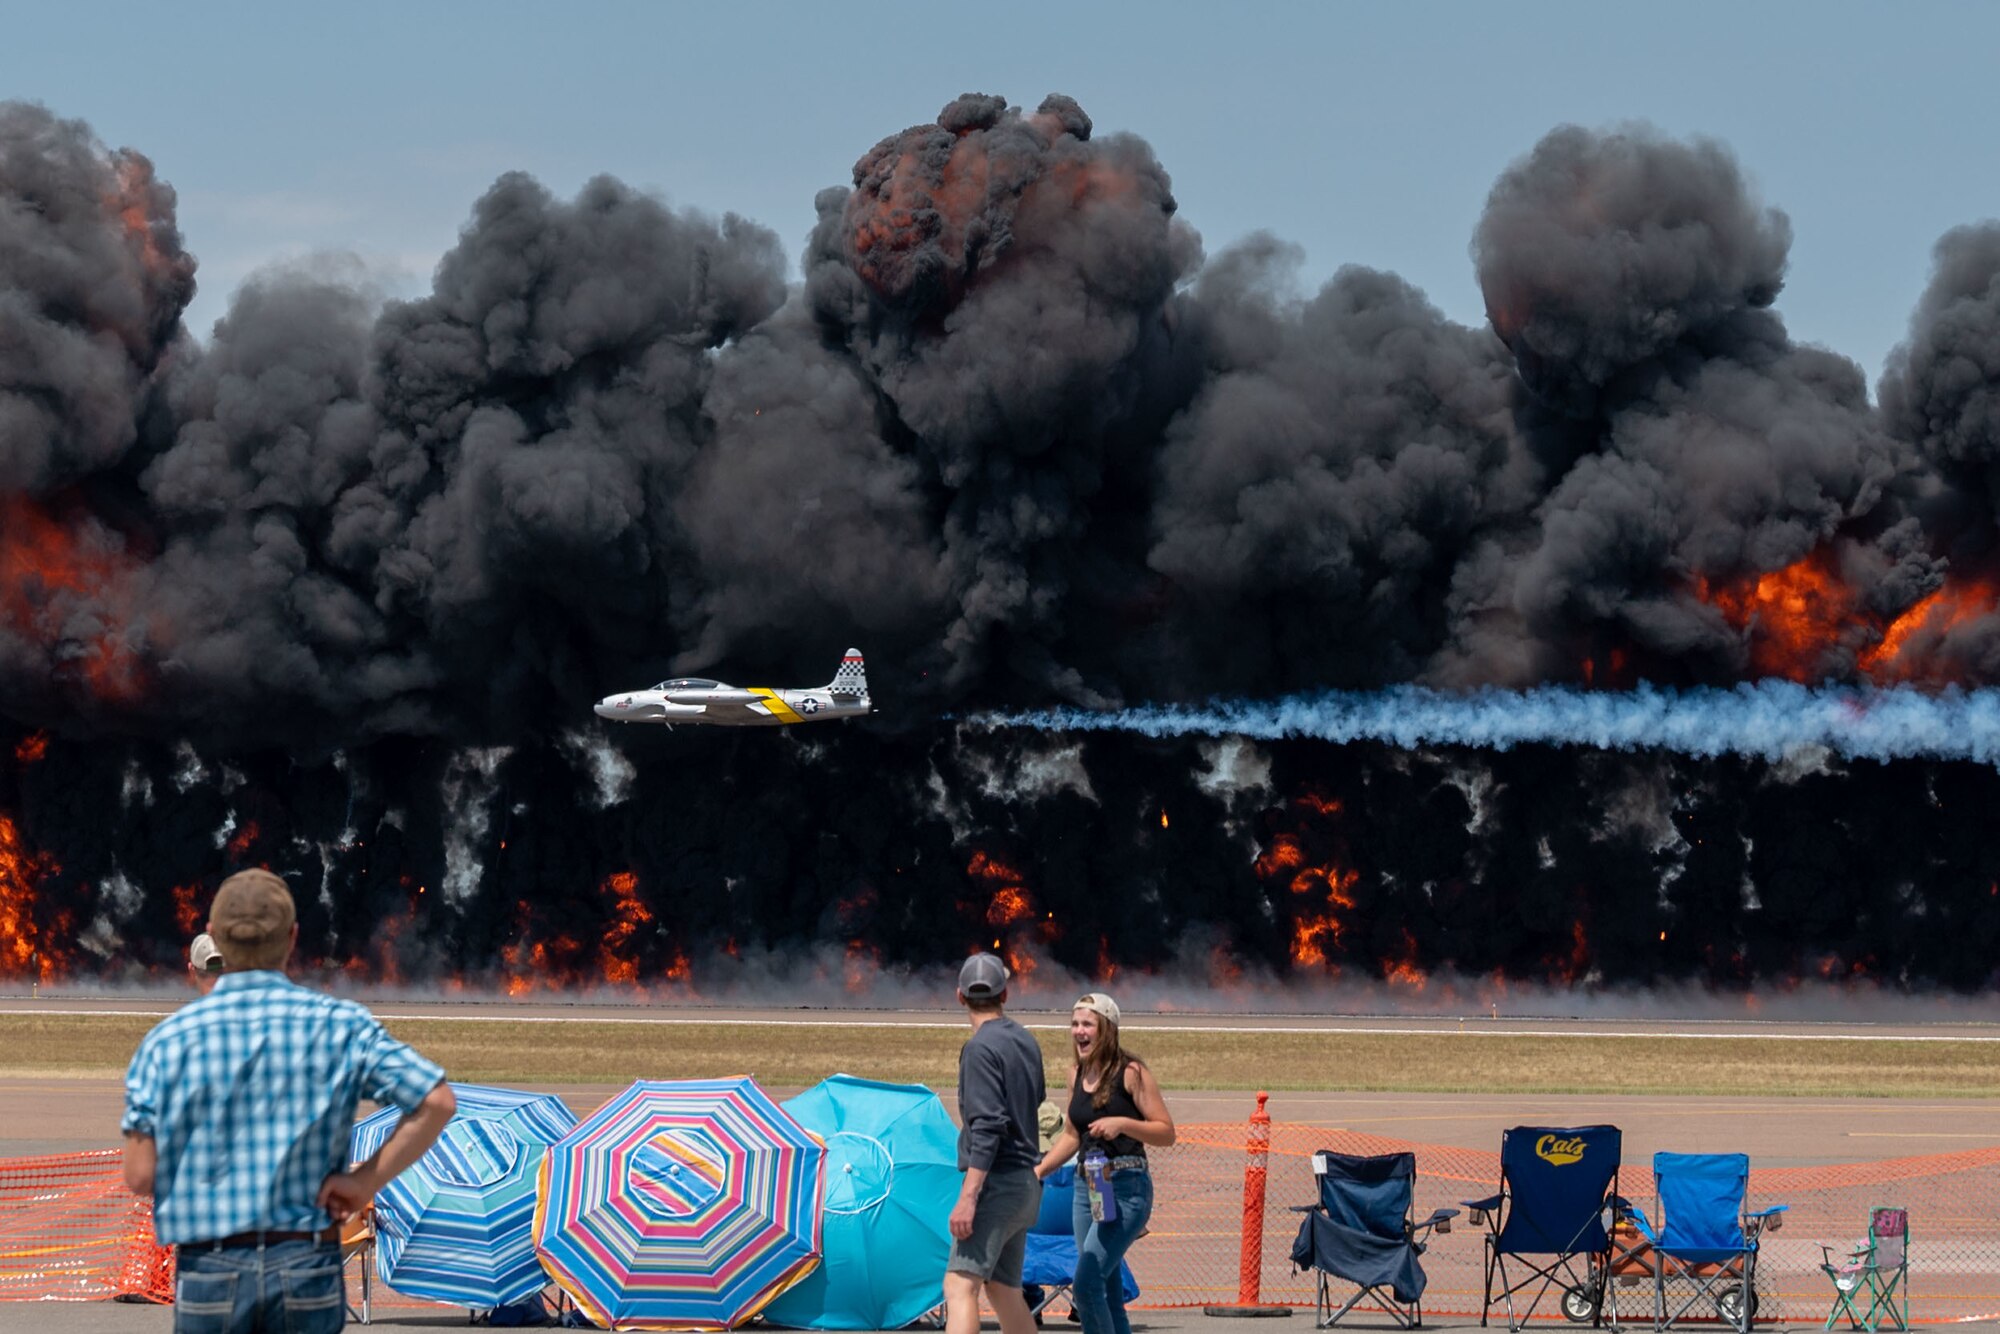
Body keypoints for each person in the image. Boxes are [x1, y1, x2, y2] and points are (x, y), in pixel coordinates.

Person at [122, 869, 457, 1333]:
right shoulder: (339, 1025)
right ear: (293, 937)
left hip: (210, 1265)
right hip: (307, 1262)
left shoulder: (167, 1042)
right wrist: (365, 1182)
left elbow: (139, 1174)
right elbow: (436, 1102)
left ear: (215, 935)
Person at [1035, 992, 1175, 1334]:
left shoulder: (1131, 1072)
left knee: (1085, 1283)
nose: (1078, 1031)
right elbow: (1071, 1135)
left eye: (1087, 1024)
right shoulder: (1076, 1074)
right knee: (1108, 1290)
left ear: (1107, 1029)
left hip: (1126, 1186)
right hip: (1089, 1187)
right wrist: (1038, 1171)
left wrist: (1123, 1124)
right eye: (1074, 1024)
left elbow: (1166, 1132)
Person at [945, 952, 1047, 1334]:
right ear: (1005, 995)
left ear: (960, 996)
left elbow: (987, 1127)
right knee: (1003, 1289)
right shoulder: (1025, 1041)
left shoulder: (979, 1049)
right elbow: (1035, 1099)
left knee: (959, 1285)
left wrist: (969, 1197)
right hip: (1025, 1180)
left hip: (997, 1183)